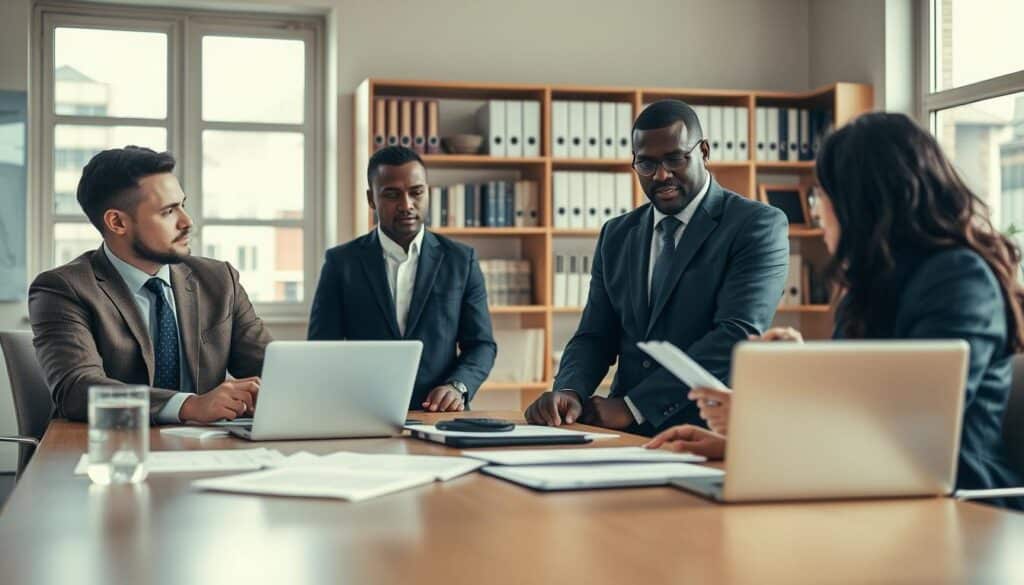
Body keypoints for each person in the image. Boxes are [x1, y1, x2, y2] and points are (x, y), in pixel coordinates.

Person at [647, 112, 1024, 503]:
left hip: (954, 506)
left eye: (821, 196)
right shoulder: (868, 288)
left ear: (860, 202)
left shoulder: (957, 280)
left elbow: (912, 432)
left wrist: (763, 421)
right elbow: (860, 415)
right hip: (874, 496)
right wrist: (739, 442)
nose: (816, 212)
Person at [524, 99, 789, 435]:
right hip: (620, 435)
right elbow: (595, 334)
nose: (661, 175)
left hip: (709, 432)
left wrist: (635, 406)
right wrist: (569, 390)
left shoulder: (757, 224)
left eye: (675, 159)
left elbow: (736, 335)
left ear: (704, 152)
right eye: (646, 164)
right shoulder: (617, 233)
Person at [29, 146, 272, 423]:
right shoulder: (63, 288)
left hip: (209, 448)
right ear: (117, 222)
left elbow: (271, 368)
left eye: (183, 204)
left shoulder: (219, 279)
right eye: (168, 211)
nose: (187, 221)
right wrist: (189, 406)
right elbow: (77, 388)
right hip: (110, 450)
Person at [308, 146, 496, 412]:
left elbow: (481, 344)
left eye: (416, 192)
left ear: (428, 192)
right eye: (392, 194)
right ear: (371, 199)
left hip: (439, 413)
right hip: (361, 411)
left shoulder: (461, 261)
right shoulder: (341, 263)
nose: (407, 204)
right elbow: (321, 350)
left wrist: (458, 386)